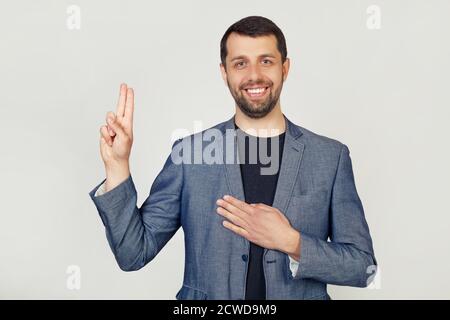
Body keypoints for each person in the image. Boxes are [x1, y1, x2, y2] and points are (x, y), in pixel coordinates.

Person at [89, 16, 377, 300]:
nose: (254, 75)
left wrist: (292, 242)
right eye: (240, 63)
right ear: (224, 72)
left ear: (285, 68)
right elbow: (132, 254)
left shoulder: (330, 157)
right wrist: (118, 167)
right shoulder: (190, 156)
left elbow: (362, 268)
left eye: (266, 61)